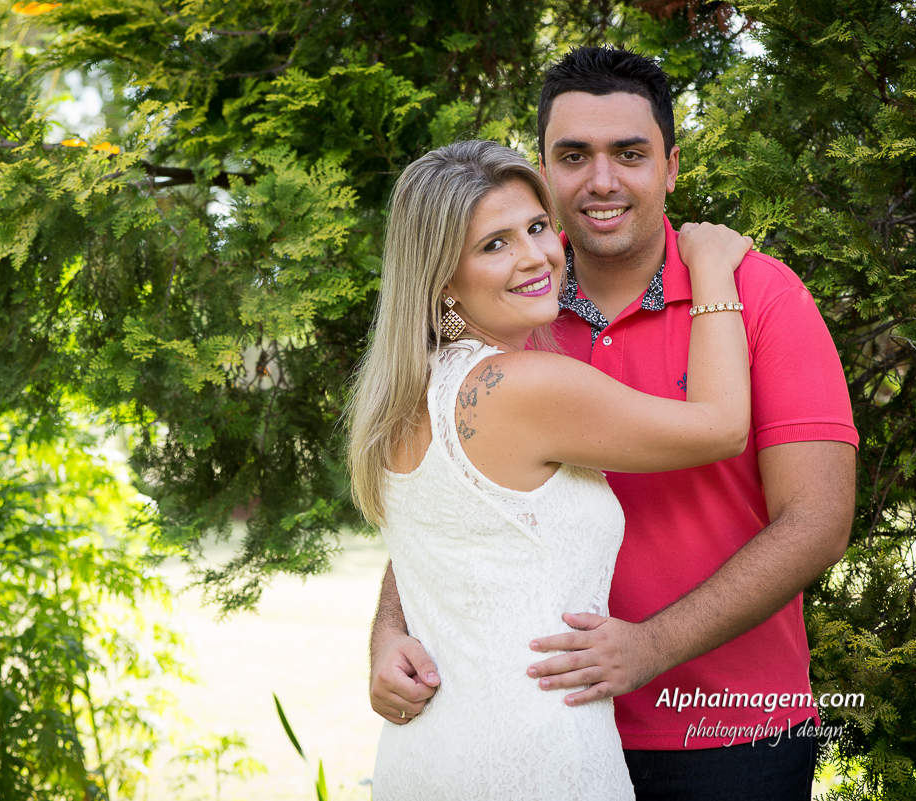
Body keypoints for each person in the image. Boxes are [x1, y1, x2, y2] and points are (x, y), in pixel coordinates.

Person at [367, 47, 857, 801]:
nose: (601, 180)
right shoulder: (514, 305)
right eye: (574, 156)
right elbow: (458, 508)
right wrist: (388, 627)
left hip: (724, 726)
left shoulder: (758, 296)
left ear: (670, 165)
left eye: (629, 153)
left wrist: (651, 646)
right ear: (545, 169)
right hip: (546, 727)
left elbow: (818, 520)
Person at [346, 137, 755, 799]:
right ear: (443, 278)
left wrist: (385, 634)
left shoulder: (399, 400)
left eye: (536, 227)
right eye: (494, 244)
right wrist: (710, 268)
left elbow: (445, 551)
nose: (535, 256)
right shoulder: (526, 385)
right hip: (539, 762)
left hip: (422, 758)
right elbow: (722, 427)